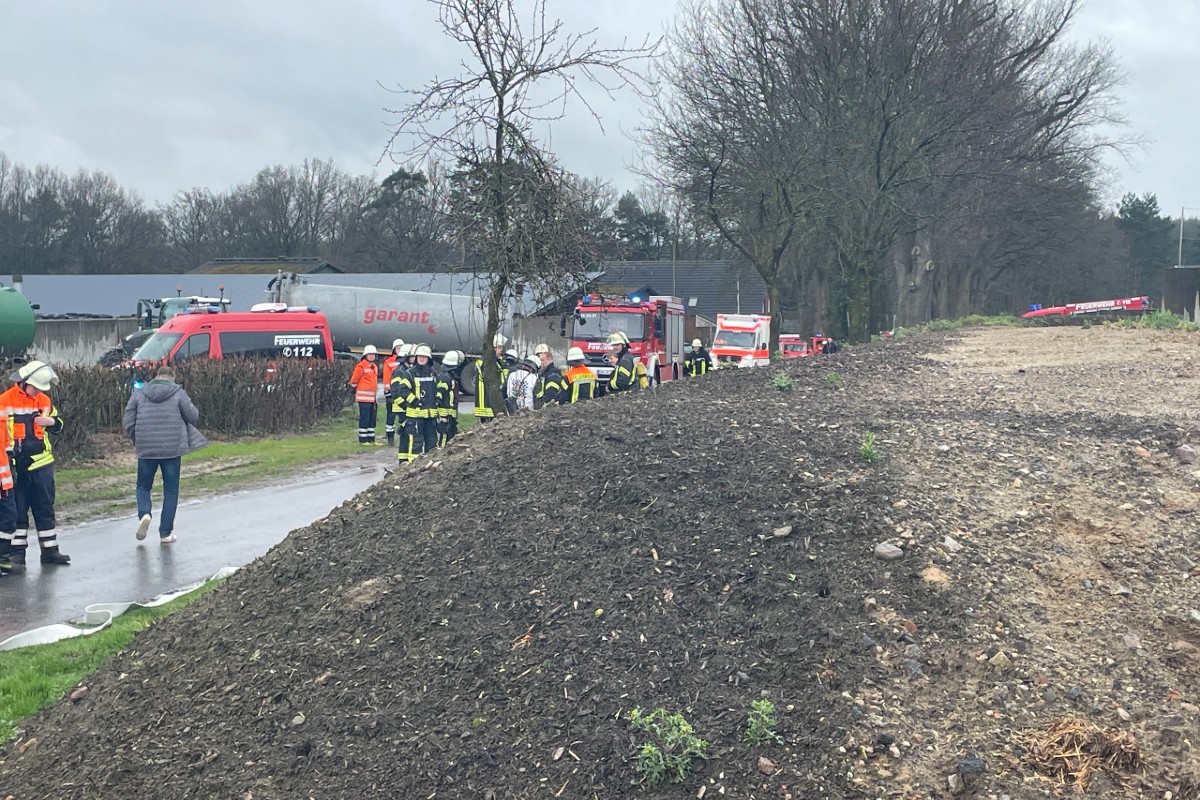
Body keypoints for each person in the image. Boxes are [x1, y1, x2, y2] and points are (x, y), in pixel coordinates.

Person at [123, 364, 208, 544]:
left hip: (146, 448)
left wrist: (137, 439)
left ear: (157, 376)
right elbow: (193, 416)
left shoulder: (139, 393)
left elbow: (128, 420)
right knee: (170, 490)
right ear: (173, 377)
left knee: (143, 486)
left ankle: (144, 514)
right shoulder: (178, 393)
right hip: (172, 448)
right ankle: (165, 533)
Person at [0, 360, 69, 570]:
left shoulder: (44, 400)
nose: (38, 391)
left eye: (41, 388)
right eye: (35, 387)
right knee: (18, 511)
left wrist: (53, 423)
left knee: (45, 507)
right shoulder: (5, 401)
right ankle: (16, 555)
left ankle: (50, 550)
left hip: (42, 464)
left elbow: (59, 424)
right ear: (23, 382)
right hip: (16, 467)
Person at [399, 344, 439, 461]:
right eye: (420, 356)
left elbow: (437, 389)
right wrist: (415, 401)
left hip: (430, 416)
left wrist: (437, 400)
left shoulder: (433, 373)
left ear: (428, 359)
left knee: (432, 443)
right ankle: (413, 468)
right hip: (415, 416)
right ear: (416, 358)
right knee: (416, 444)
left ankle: (429, 466)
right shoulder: (410, 373)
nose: (422, 359)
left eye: (424, 357)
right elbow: (403, 390)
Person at [348, 345, 381, 446]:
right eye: (370, 354)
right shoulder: (361, 366)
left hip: (372, 398)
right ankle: (363, 439)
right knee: (364, 418)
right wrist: (353, 389)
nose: (372, 356)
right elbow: (354, 380)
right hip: (364, 398)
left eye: (373, 354)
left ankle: (371, 439)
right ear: (365, 355)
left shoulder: (374, 366)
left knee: (372, 419)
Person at [474, 334, 510, 424]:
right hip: (487, 403)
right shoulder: (488, 363)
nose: (501, 351)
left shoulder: (489, 361)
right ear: (493, 348)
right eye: (500, 348)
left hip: (488, 403)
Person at [0, 405, 19, 575]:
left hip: (4, 480)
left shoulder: (2, 410)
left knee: (9, 517)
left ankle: (3, 557)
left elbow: (6, 442)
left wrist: (11, 461)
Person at [435, 350, 466, 447]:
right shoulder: (445, 378)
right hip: (445, 414)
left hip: (450, 414)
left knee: (449, 435)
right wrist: (441, 416)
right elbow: (439, 394)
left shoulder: (449, 376)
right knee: (444, 436)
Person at [381, 338, 405, 445]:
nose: (399, 350)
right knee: (391, 415)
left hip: (403, 392)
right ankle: (389, 435)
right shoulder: (388, 362)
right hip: (392, 392)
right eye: (397, 348)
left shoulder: (406, 361)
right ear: (394, 349)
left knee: (403, 415)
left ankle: (403, 433)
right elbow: (386, 378)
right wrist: (387, 391)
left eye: (401, 348)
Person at [532, 343, 565, 409]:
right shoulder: (543, 374)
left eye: (541, 360)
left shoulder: (553, 374)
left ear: (549, 358)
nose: (540, 362)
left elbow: (551, 396)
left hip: (548, 412)